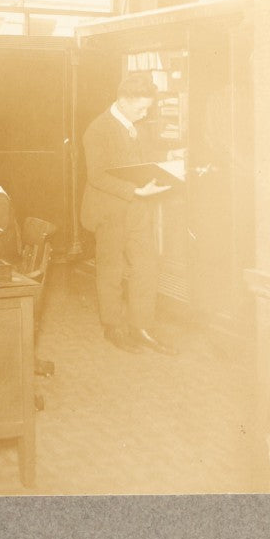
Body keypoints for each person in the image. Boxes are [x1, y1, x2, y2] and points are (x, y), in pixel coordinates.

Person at [80, 73, 178, 355]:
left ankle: (142, 327)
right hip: (109, 211)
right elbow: (97, 176)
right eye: (140, 108)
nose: (145, 113)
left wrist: (169, 156)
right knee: (111, 270)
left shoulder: (138, 125)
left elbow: (144, 155)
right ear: (123, 101)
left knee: (147, 266)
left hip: (137, 210)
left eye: (147, 108)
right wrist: (134, 192)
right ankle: (113, 327)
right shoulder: (97, 129)